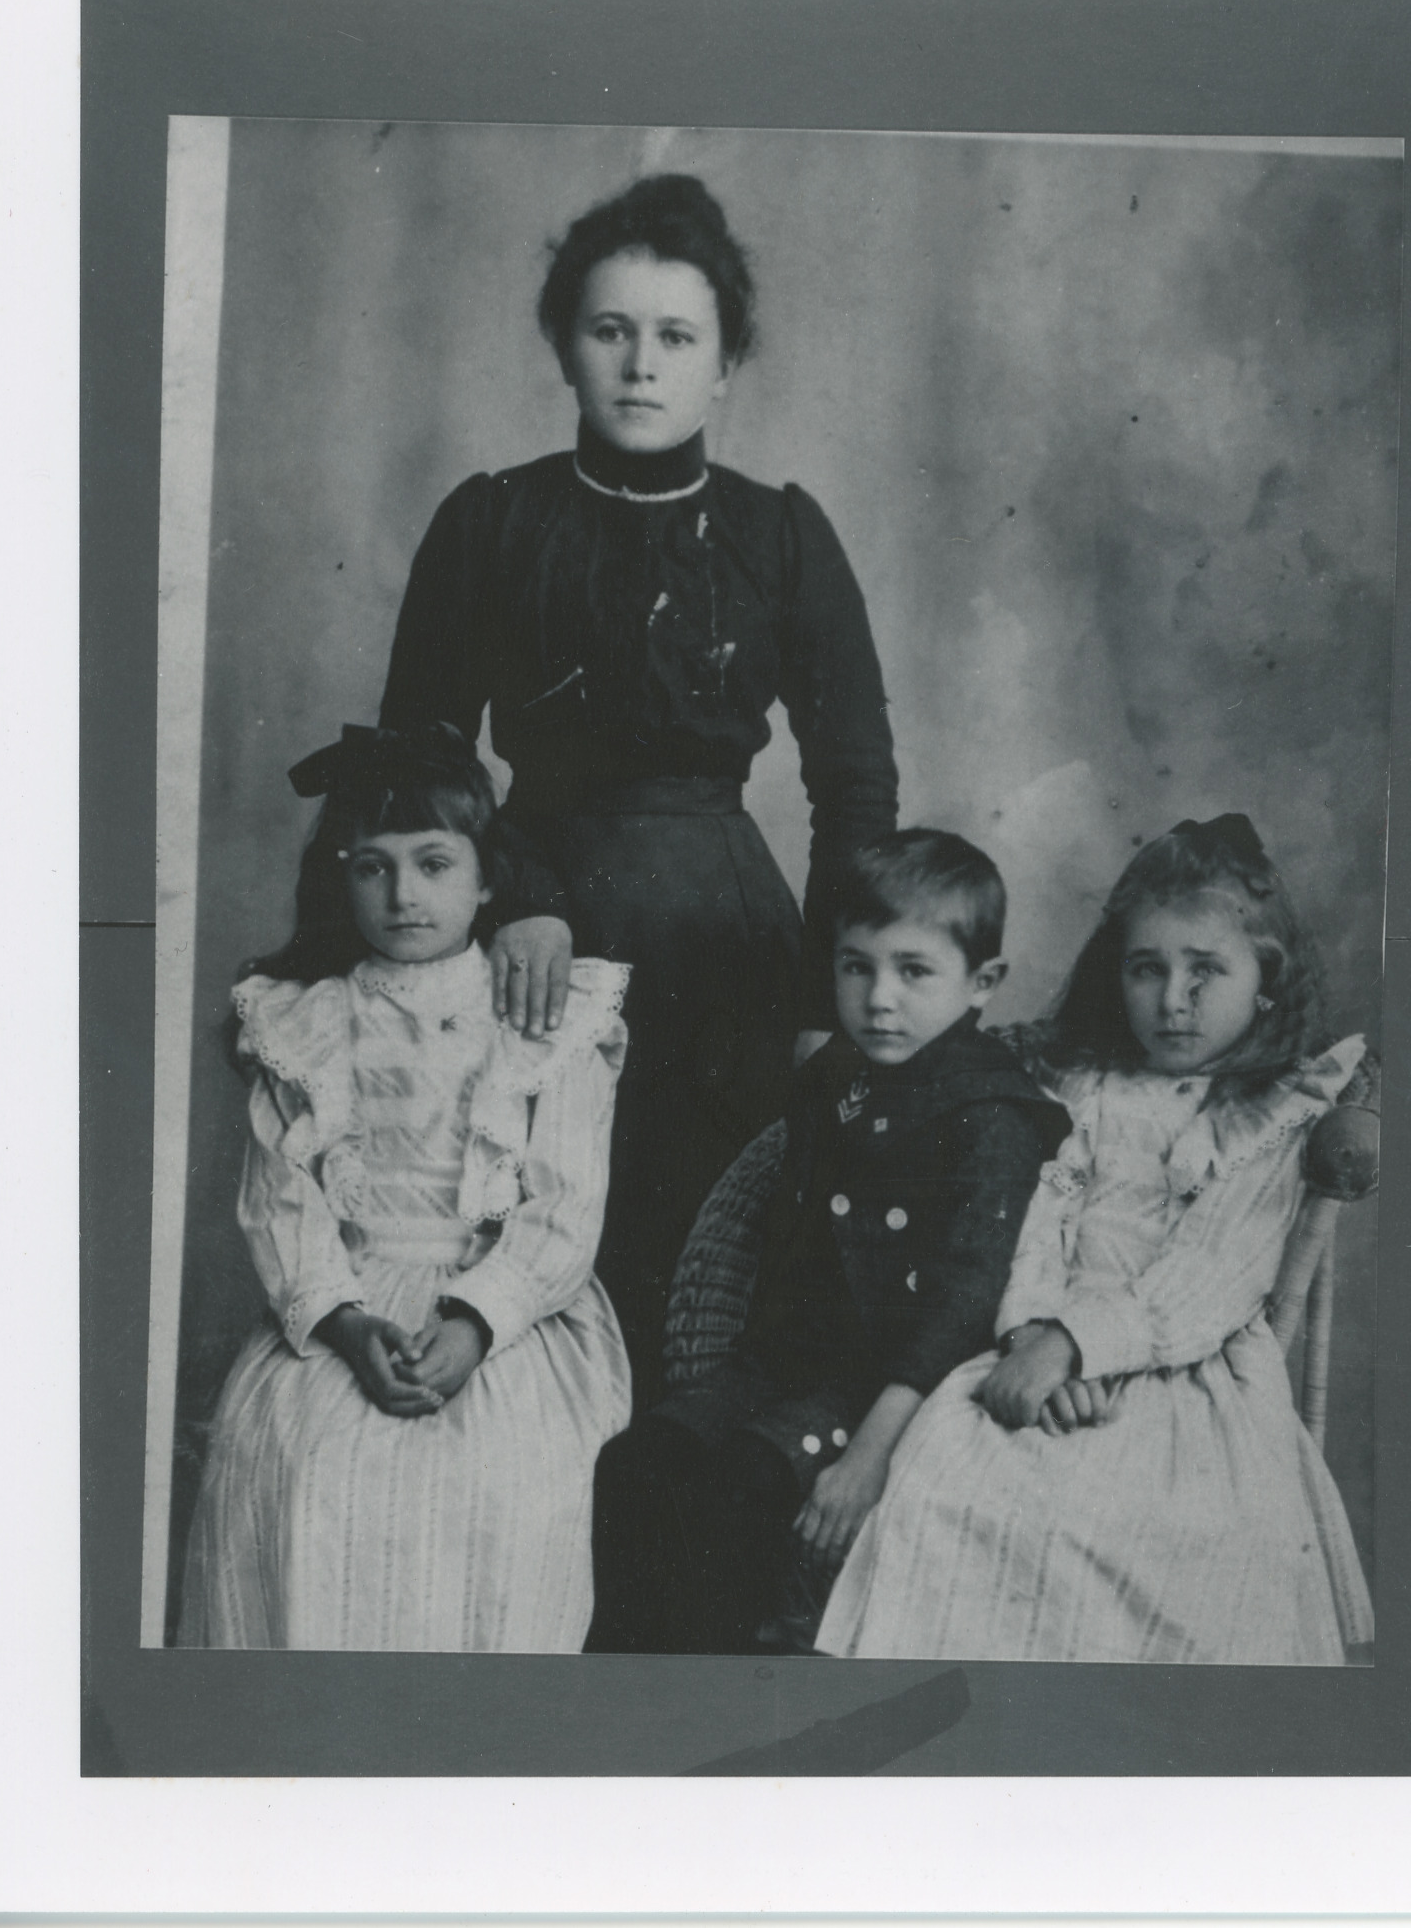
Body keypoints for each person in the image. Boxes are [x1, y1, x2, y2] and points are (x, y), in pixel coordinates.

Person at [378, 173, 898, 1408]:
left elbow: (856, 786)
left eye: (677, 337)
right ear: (566, 345)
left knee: (711, 1278)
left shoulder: (780, 535)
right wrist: (525, 898)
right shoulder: (492, 521)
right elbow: (422, 756)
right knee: (534, 1247)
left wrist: (829, 993)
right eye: (611, 330)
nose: (641, 366)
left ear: (724, 365)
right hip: (534, 943)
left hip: (727, 949)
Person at [815, 814, 1376, 1663]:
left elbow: (1211, 1276)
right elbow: (1039, 1216)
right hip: (1036, 1345)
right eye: (1146, 969)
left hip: (1184, 1379)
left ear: (1264, 977)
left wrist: (1081, 1345)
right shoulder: (1082, 1087)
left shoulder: (1273, 1116)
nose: (1172, 999)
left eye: (1204, 971)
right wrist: (1034, 1333)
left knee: (1155, 1537)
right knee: (942, 1477)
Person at [178, 723, 631, 1651]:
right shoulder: (301, 1020)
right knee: (302, 1474)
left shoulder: (553, 1016)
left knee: (505, 1485)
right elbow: (281, 1204)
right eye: (372, 868)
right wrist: (343, 1323)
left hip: (506, 1317)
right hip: (348, 1304)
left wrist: (471, 1323)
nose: (404, 895)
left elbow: (563, 1211)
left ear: (487, 878)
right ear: (341, 880)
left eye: (432, 864)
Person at [586, 830, 1072, 1654]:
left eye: (913, 971)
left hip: (895, 1390)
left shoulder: (993, 1115)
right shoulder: (833, 1077)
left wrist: (870, 1454)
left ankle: (712, 1719)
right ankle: (619, 1704)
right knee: (637, 1461)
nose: (879, 997)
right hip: (781, 1360)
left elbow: (962, 1303)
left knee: (742, 1487)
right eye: (856, 965)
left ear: (981, 982)